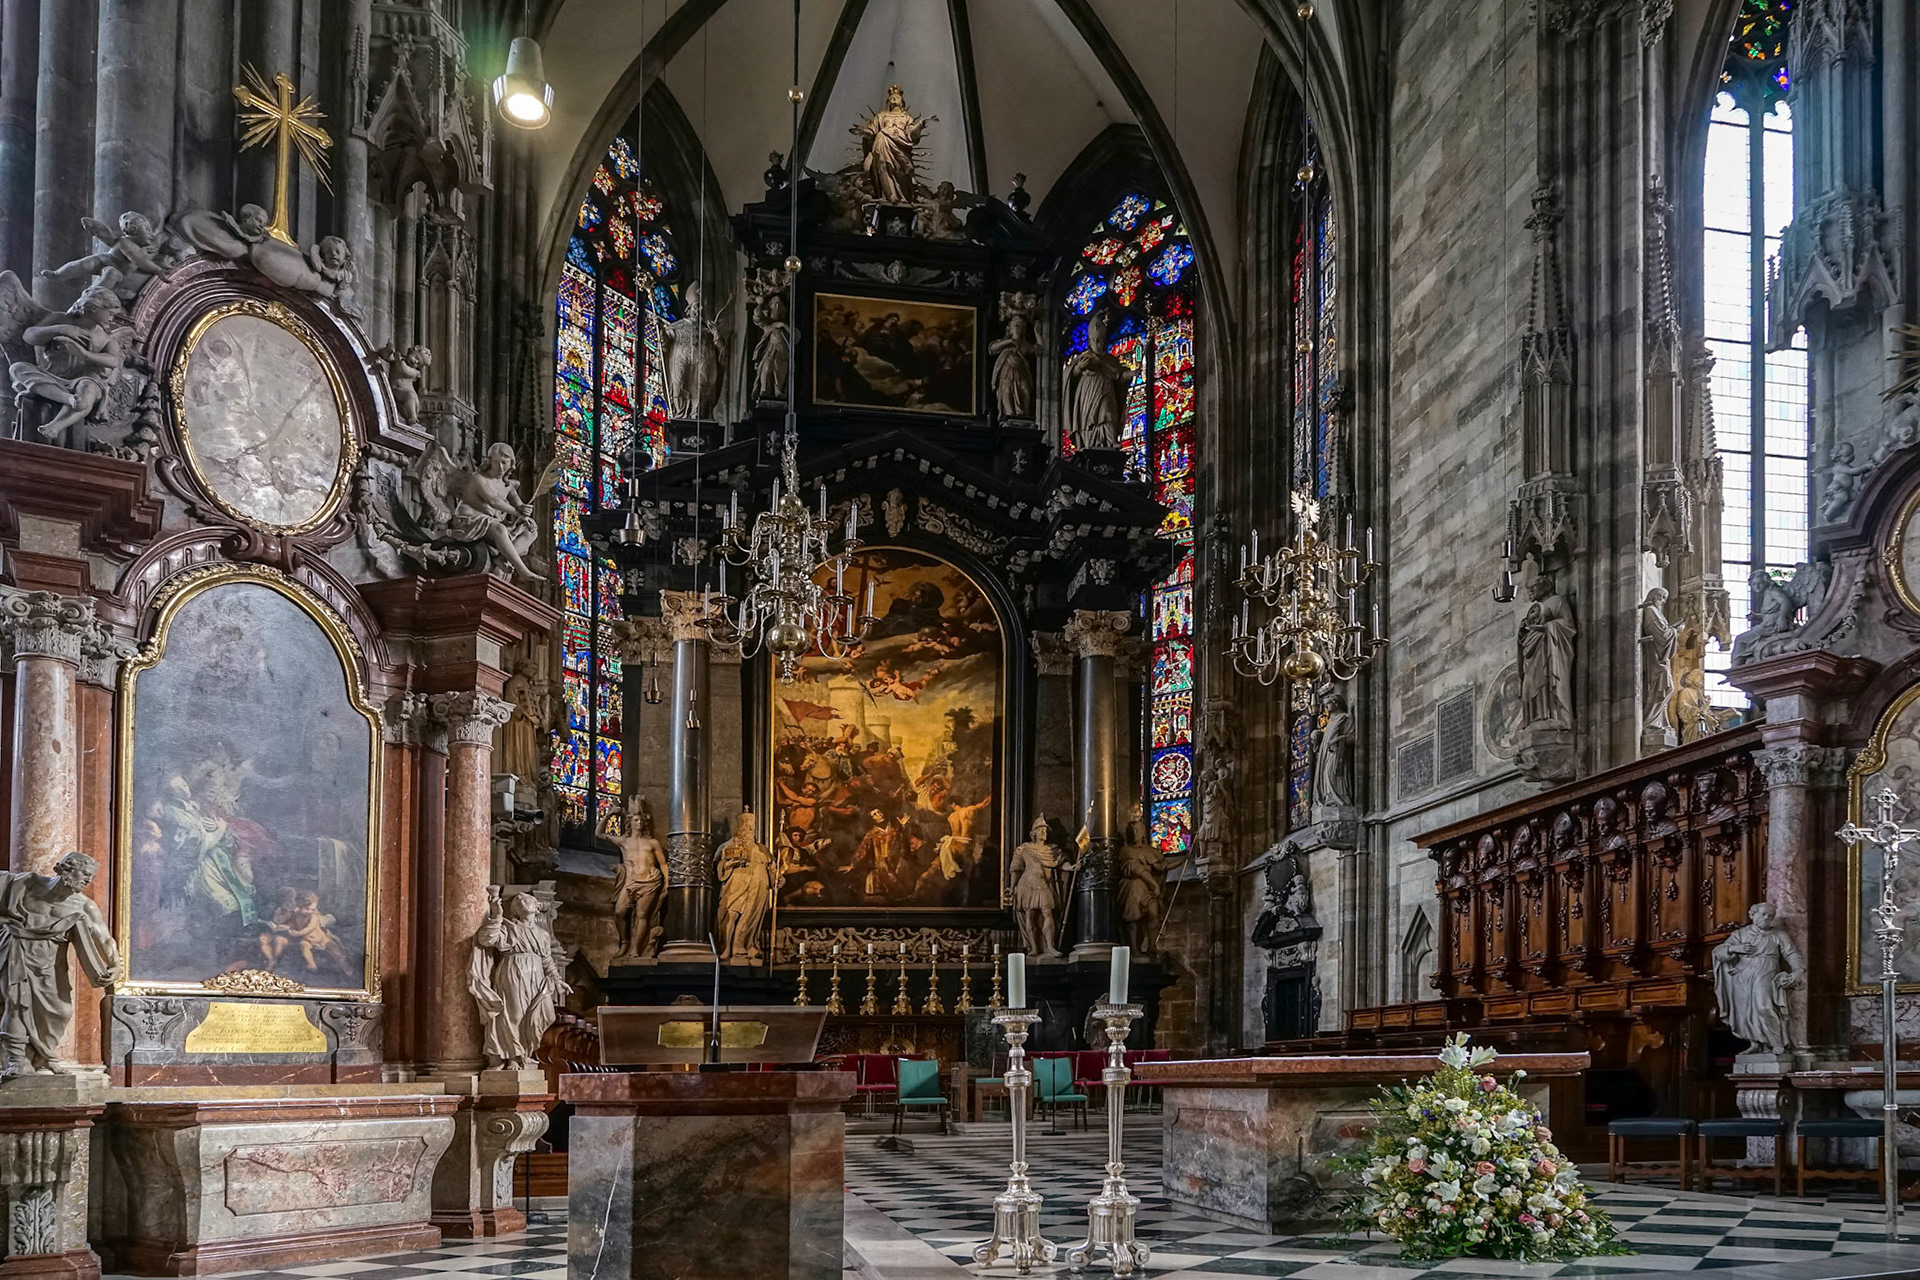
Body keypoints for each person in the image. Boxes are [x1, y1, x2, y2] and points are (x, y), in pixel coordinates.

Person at [0, 852, 120, 1077]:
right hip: (16, 952)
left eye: (91, 877)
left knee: (61, 1010)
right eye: (85, 874)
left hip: (49, 962)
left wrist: (115, 965)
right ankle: (15, 1061)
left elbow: (104, 938)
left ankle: (43, 1056)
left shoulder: (84, 906)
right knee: (17, 1004)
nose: (87, 881)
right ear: (66, 868)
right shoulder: (24, 884)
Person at [469, 888, 569, 1072]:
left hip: (536, 975)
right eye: (519, 900)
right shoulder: (509, 927)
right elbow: (486, 939)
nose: (523, 901)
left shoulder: (542, 934)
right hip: (514, 972)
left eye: (528, 899)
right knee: (513, 1014)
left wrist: (557, 979)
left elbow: (547, 959)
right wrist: (497, 915)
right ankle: (512, 1057)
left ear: (537, 908)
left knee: (545, 1014)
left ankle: (526, 1052)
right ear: (515, 909)